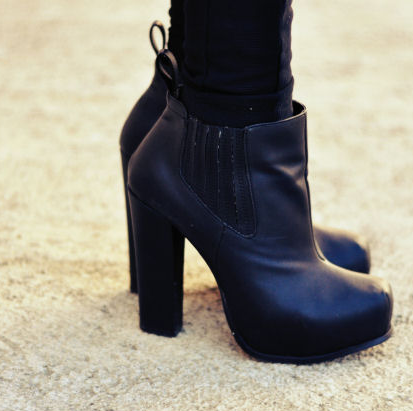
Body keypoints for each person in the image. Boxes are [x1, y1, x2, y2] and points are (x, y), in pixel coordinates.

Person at [119, 0, 393, 363]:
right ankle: (220, 133)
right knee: (237, 81)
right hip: (214, 147)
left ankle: (188, 117)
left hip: (192, 138)